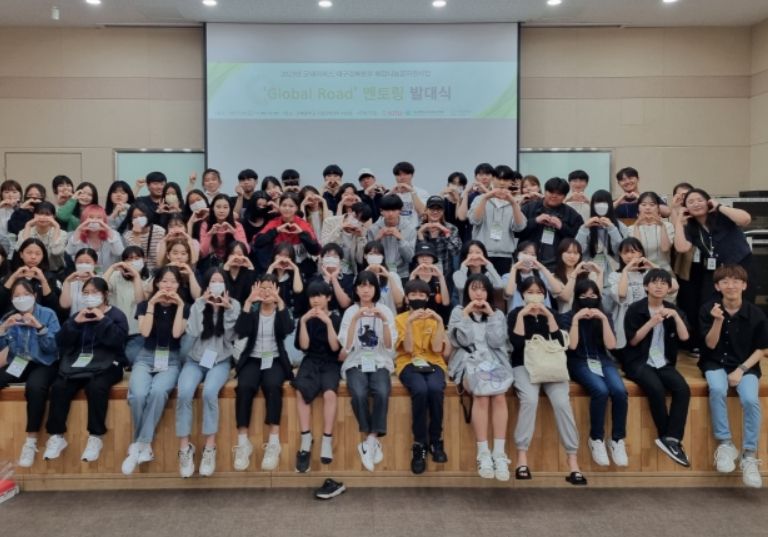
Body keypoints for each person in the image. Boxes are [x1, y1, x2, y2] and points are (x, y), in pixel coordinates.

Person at [508, 277, 586, 485]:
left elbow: (561, 343)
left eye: (539, 292)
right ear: (522, 294)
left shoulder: (553, 313)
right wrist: (523, 315)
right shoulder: (515, 314)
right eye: (530, 292)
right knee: (529, 400)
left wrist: (549, 316)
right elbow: (516, 344)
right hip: (524, 364)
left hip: (552, 365)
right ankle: (522, 457)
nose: (535, 295)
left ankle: (572, 460)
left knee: (562, 403)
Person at [43, 277, 127, 463]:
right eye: (86, 293)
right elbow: (61, 342)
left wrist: (103, 320)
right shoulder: (78, 315)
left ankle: (95, 437)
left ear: (105, 294)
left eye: (94, 292)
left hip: (109, 364)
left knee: (96, 388)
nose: (90, 296)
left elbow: (118, 341)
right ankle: (56, 436)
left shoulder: (116, 315)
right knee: (60, 386)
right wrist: (74, 323)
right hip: (79, 364)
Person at [699, 265, 767, 488]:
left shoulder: (756, 314)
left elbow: (762, 349)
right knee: (717, 389)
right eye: (725, 282)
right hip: (714, 362)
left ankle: (749, 455)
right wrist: (717, 321)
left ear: (744, 285)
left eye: (736, 281)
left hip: (745, 365)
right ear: (717, 286)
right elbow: (710, 345)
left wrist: (741, 370)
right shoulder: (708, 309)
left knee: (750, 399)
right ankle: (726, 444)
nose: (731, 286)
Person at [122, 266, 188, 475]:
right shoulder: (144, 305)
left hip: (171, 359)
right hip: (145, 356)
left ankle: (138, 444)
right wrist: (151, 304)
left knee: (158, 392)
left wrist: (180, 306)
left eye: (173, 281)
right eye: (164, 281)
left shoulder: (184, 306)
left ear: (179, 285)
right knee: (138, 395)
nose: (168, 285)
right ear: (157, 283)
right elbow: (144, 331)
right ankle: (145, 446)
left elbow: (177, 334)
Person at [622, 268, 691, 467]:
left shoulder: (673, 310)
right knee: (656, 388)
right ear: (646, 286)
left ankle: (672, 438)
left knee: (682, 389)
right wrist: (651, 322)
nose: (659, 286)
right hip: (638, 361)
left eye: (664, 283)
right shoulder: (635, 309)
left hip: (663, 362)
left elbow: (685, 337)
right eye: (654, 282)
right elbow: (633, 341)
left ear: (669, 288)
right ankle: (667, 437)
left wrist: (675, 316)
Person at [176, 268, 240, 478]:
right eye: (213, 281)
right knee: (184, 393)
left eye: (220, 281)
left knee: (209, 393)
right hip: (195, 360)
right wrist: (201, 304)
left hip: (220, 361)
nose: (216, 285)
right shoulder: (198, 304)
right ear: (207, 284)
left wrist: (228, 310)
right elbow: (193, 332)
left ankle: (209, 448)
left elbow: (231, 337)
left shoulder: (234, 304)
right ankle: (185, 448)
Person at [447, 273, 512, 481]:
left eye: (483, 289)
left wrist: (491, 315)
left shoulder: (497, 314)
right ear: (467, 291)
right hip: (468, 363)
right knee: (482, 394)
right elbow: (460, 341)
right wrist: (466, 314)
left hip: (493, 362)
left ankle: (499, 453)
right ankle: (483, 452)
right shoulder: (458, 311)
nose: (478, 293)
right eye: (474, 288)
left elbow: (497, 341)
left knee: (499, 395)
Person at [560, 279, 628, 467]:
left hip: (602, 360)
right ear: (576, 298)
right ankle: (596, 438)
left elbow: (611, 345)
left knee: (620, 391)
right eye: (583, 296)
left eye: (592, 295)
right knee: (600, 390)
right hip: (578, 360)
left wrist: (604, 319)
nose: (588, 299)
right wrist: (576, 320)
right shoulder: (566, 317)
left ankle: (617, 439)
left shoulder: (605, 315)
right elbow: (572, 346)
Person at [232, 273, 294, 472]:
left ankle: (273, 442)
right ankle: (243, 443)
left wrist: (280, 302)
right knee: (244, 387)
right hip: (252, 359)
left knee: (273, 386)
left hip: (274, 359)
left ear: (277, 289)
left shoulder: (281, 311)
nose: (266, 292)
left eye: (270, 288)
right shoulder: (253, 312)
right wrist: (248, 302)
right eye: (263, 288)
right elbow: (241, 330)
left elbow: (287, 329)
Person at [338, 271, 397, 472]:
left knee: (382, 391)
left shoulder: (385, 310)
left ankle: (370, 440)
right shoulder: (350, 312)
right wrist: (355, 319)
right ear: (356, 289)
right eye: (362, 285)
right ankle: (371, 441)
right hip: (355, 361)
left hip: (379, 361)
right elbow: (346, 347)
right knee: (358, 392)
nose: (366, 290)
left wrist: (384, 321)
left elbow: (389, 346)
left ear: (376, 289)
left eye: (370, 285)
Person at [0, 279, 60, 468]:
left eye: (26, 294)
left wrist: (39, 327)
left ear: (34, 295)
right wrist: (3, 329)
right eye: (16, 296)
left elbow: (53, 348)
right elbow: (3, 347)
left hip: (44, 363)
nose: (21, 299)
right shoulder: (9, 317)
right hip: (20, 362)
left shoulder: (48, 314)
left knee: (35, 388)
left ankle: (31, 441)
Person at [395, 279, 448, 474]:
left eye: (422, 295)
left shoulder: (434, 319)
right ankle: (419, 444)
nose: (417, 298)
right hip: (408, 362)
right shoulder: (400, 319)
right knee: (420, 389)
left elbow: (437, 348)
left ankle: (436, 440)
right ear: (407, 298)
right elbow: (408, 349)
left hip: (434, 362)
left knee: (435, 389)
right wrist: (410, 322)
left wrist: (440, 321)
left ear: (427, 298)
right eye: (413, 294)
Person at [291, 280, 342, 473]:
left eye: (320, 296)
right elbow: (304, 346)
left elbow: (335, 348)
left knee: (330, 394)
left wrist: (328, 322)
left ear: (328, 298)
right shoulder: (305, 319)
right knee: (300, 391)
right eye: (312, 296)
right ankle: (306, 438)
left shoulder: (335, 318)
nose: (315, 300)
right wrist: (303, 322)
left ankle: (327, 439)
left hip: (330, 362)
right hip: (311, 360)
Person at [674, 188, 753, 303]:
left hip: (740, 264)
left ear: (708, 202)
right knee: (709, 302)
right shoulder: (690, 227)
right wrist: (679, 221)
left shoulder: (722, 214)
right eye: (690, 202)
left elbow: (746, 219)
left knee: (742, 302)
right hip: (714, 269)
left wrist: (719, 206)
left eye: (700, 200)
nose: (696, 204)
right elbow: (682, 248)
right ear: (686, 208)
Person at [468, 165, 526, 275]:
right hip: (481, 254)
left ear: (511, 182)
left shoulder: (513, 202)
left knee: (502, 285)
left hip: (505, 256)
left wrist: (514, 204)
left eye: (506, 179)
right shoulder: (479, 199)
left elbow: (519, 227)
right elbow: (474, 220)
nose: (502, 183)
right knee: (481, 284)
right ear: (493, 179)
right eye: (499, 178)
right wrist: (485, 197)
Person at [518, 177, 585, 271]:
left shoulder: (573, 215)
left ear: (565, 196)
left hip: (557, 266)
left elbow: (578, 240)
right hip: (528, 262)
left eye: (559, 194)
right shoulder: (528, 208)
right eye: (551, 192)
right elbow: (516, 232)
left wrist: (562, 227)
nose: (554, 196)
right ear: (544, 192)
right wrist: (535, 221)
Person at [253, 193, 321, 282]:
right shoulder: (274, 223)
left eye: (291, 206)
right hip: (276, 266)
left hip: (300, 266)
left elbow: (316, 251)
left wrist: (302, 234)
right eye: (284, 205)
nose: (287, 209)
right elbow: (257, 242)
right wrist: (276, 231)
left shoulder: (303, 224)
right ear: (279, 207)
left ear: (297, 208)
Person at [102, 246, 148, 360]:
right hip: (115, 328)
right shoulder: (116, 276)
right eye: (129, 259)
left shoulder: (149, 279)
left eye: (137, 258)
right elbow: (100, 287)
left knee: (131, 358)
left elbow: (140, 301)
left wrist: (136, 276)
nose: (133, 262)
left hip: (136, 331)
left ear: (144, 259)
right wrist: (112, 268)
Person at [575, 189, 628, 281]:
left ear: (610, 205)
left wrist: (612, 228)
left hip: (614, 271)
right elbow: (578, 250)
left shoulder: (620, 226)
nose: (601, 206)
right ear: (592, 205)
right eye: (598, 203)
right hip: (590, 272)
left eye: (604, 203)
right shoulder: (587, 225)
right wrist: (584, 228)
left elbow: (623, 250)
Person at [1, 238, 60, 314]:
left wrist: (43, 280)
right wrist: (13, 277)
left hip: (40, 317)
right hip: (13, 317)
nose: (33, 257)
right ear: (21, 254)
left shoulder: (50, 277)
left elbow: (55, 307)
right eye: (29, 253)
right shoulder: (11, 275)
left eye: (38, 254)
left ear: (43, 256)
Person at [366, 194, 417, 281]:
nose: (390, 214)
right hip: (378, 273)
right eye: (387, 210)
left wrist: (401, 239)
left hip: (402, 275)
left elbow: (410, 258)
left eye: (394, 210)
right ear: (381, 211)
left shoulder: (410, 229)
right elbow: (366, 257)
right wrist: (376, 239)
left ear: (400, 210)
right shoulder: (373, 229)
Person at [65, 204, 124, 270]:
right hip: (84, 273)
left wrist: (108, 230)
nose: (95, 220)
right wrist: (79, 229)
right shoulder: (76, 234)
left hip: (108, 273)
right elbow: (69, 252)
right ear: (84, 219)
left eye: (99, 218)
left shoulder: (113, 234)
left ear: (104, 220)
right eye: (91, 217)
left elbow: (119, 252)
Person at [552, 238, 603, 314]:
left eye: (576, 253)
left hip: (589, 316)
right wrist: (575, 273)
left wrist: (600, 273)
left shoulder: (589, 274)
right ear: (560, 254)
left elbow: (597, 295)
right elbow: (565, 297)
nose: (572, 256)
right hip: (566, 317)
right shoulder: (554, 277)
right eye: (568, 252)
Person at [416, 196, 461, 279]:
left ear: (443, 211)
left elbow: (455, 251)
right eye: (432, 209)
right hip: (423, 273)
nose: (435, 212)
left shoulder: (451, 228)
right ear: (426, 210)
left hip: (445, 273)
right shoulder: (418, 229)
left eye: (439, 209)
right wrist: (420, 235)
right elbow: (414, 253)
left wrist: (445, 231)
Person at [16, 201, 68, 274]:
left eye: (47, 214)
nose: (43, 217)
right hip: (28, 270)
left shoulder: (62, 233)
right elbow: (20, 250)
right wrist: (28, 225)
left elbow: (56, 252)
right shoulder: (24, 231)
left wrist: (57, 226)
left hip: (54, 271)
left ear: (53, 217)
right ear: (34, 215)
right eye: (39, 214)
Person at [629, 192, 674, 270]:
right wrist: (636, 226)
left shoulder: (667, 226)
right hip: (640, 270)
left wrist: (662, 225)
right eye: (643, 205)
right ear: (638, 208)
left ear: (658, 208)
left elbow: (665, 248)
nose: (647, 208)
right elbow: (637, 251)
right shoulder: (631, 228)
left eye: (652, 205)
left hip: (663, 270)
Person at [199, 193, 249, 266]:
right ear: (212, 208)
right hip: (212, 262)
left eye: (225, 207)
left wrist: (234, 233)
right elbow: (203, 253)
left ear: (230, 209)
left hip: (233, 261)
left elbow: (246, 250)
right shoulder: (205, 225)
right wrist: (209, 234)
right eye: (218, 207)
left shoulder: (237, 225)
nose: (221, 211)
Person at [360, 241, 404, 315]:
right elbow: (358, 301)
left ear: (382, 257)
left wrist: (389, 277)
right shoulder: (359, 277)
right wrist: (363, 276)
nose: (374, 256)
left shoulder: (393, 276)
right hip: (367, 317)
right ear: (365, 256)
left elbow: (400, 302)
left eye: (377, 254)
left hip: (389, 317)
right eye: (371, 254)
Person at [120, 201, 166, 271]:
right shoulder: (128, 235)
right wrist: (136, 235)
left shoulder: (160, 232)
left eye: (141, 216)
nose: (138, 219)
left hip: (157, 271)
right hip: (138, 271)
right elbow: (134, 257)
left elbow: (161, 260)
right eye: (134, 217)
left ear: (147, 216)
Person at [60, 248, 99, 315]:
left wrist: (94, 280)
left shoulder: (101, 280)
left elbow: (101, 303)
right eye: (80, 262)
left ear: (95, 264)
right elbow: (65, 305)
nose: (83, 265)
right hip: (75, 319)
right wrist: (67, 282)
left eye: (87, 262)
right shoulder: (70, 282)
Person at [390, 161, 428, 229]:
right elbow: (382, 213)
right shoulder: (391, 193)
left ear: (412, 175)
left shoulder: (422, 192)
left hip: (414, 230)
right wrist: (391, 194)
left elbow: (423, 213)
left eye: (405, 174)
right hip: (394, 230)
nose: (402, 177)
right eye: (399, 175)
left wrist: (412, 191)